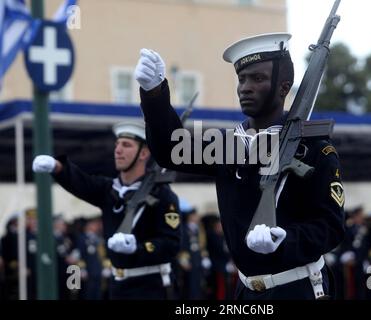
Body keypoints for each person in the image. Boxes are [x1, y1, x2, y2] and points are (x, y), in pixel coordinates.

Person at [135, 33, 345, 300]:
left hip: (299, 289)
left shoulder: (314, 148)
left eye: (257, 78)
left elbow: (331, 226)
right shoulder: (228, 145)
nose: (245, 87)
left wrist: (287, 239)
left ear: (283, 87)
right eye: (241, 79)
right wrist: (154, 95)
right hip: (245, 291)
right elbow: (171, 152)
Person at [32, 122, 181, 299]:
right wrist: (57, 167)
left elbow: (171, 243)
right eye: (117, 144)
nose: (118, 150)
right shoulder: (110, 190)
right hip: (117, 286)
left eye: (126, 145)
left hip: (151, 287)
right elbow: (83, 183)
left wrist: (138, 248)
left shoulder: (163, 195)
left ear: (143, 153)